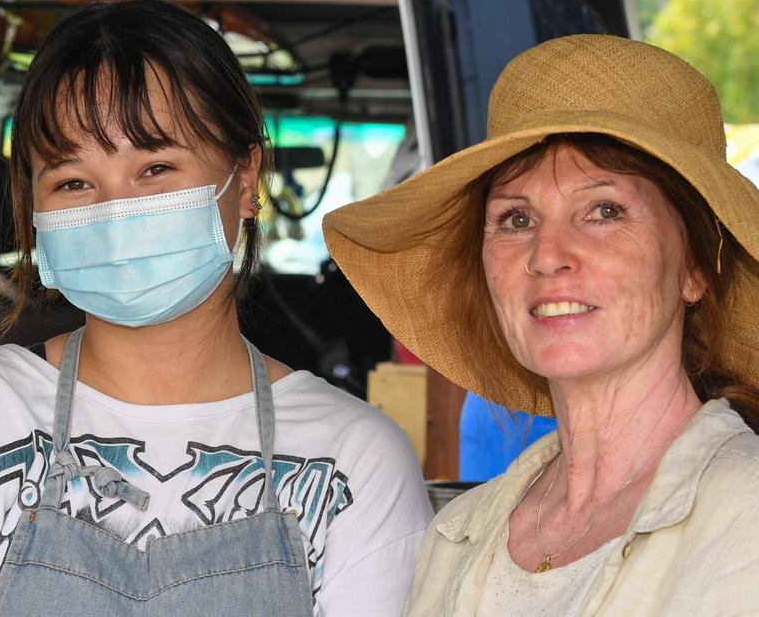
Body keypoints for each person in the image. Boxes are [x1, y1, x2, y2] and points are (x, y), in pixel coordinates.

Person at [0, 0, 432, 616]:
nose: (113, 210)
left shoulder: (356, 459)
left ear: (246, 179)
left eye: (155, 167)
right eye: (72, 181)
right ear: (33, 208)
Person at [323, 34, 759, 615]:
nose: (548, 254)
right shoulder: (459, 533)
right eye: (516, 218)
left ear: (695, 268)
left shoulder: (744, 514)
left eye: (604, 211)